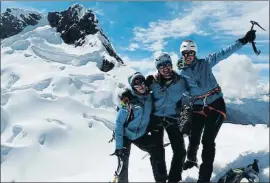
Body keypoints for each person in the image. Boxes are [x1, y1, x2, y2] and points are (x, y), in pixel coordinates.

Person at [176, 30, 257, 182]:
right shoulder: (182, 74)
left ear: (195, 53)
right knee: (194, 136)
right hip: (199, 106)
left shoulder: (205, 63)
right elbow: (179, 92)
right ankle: (191, 159)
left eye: (190, 53)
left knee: (207, 140)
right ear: (182, 55)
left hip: (216, 104)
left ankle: (204, 178)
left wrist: (243, 40)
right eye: (185, 53)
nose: (188, 56)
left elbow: (224, 53)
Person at [113, 72, 167, 183]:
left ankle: (161, 180)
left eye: (142, 82)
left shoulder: (149, 97)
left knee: (157, 149)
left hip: (140, 134)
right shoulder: (128, 101)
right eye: (137, 85)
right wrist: (119, 147)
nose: (141, 86)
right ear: (133, 87)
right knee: (123, 161)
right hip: (125, 135)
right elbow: (118, 124)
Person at [146, 53, 190, 183]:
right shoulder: (151, 81)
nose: (165, 68)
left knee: (180, 151)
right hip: (156, 119)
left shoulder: (181, 81)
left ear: (171, 65)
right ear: (157, 68)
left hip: (172, 118)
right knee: (157, 152)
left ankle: (174, 179)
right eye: (161, 66)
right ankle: (160, 180)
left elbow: (193, 92)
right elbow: (138, 91)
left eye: (167, 64)